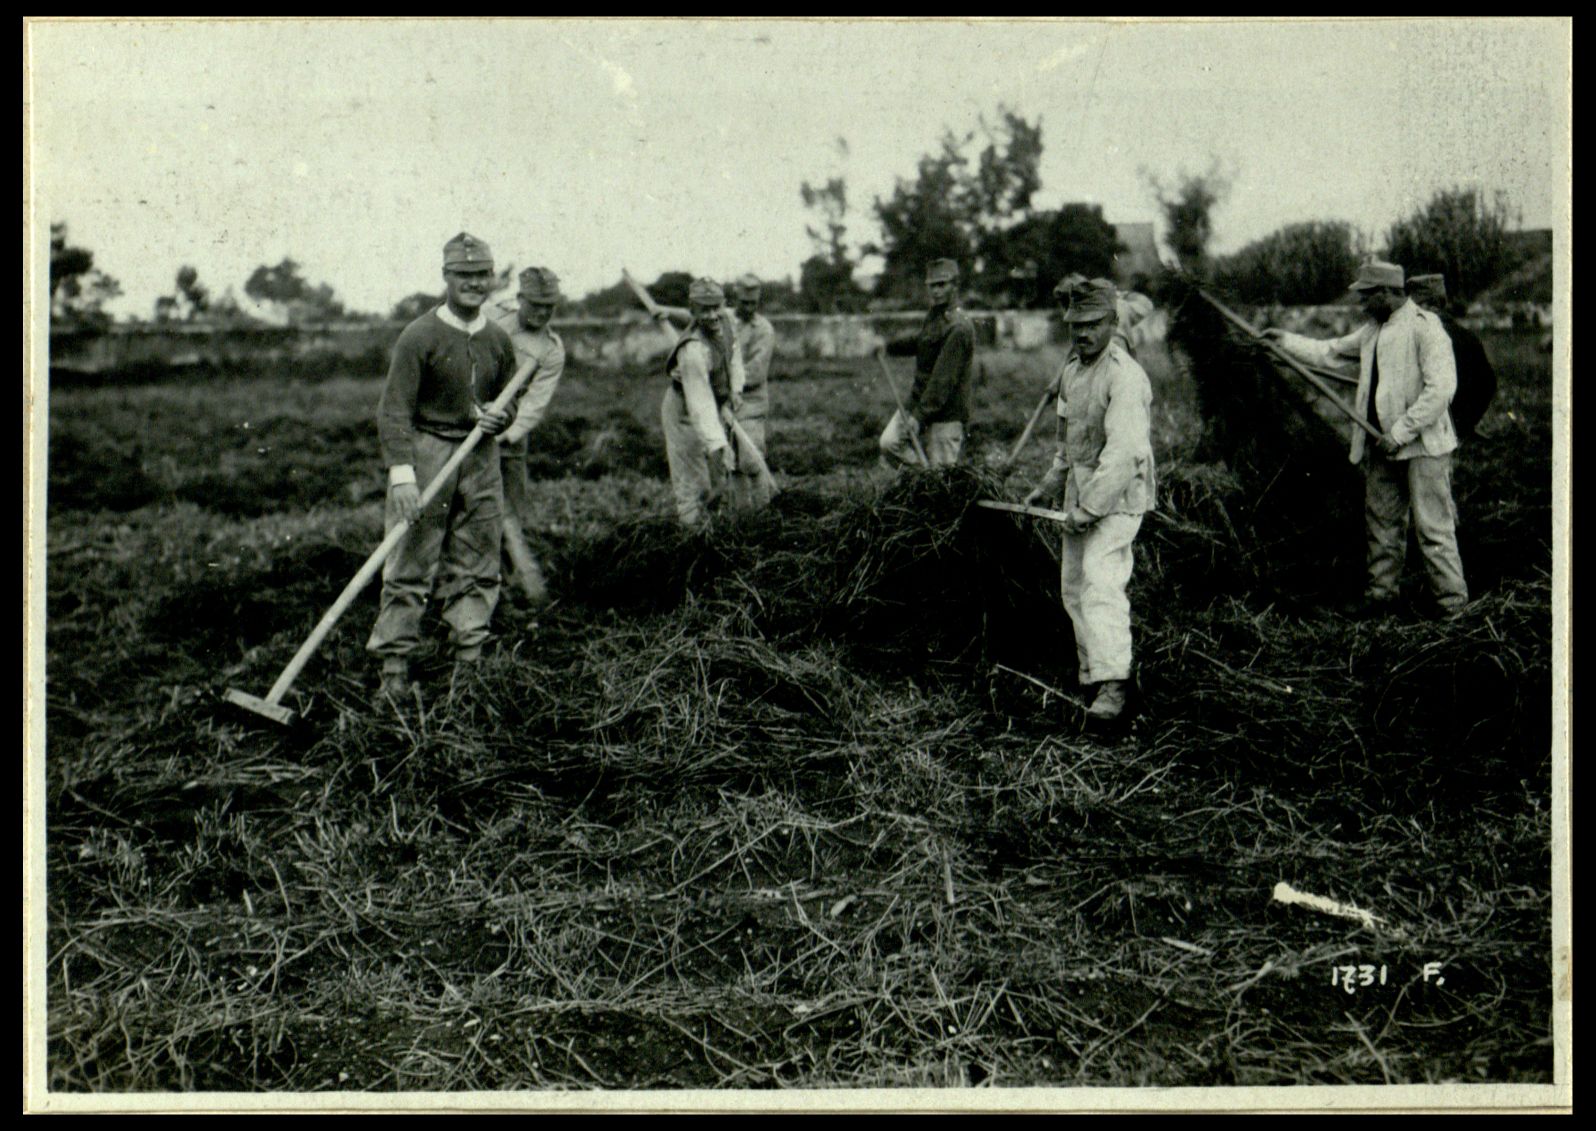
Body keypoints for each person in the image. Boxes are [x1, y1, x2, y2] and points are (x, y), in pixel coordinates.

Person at [1265, 260, 1467, 618]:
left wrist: (1400, 432)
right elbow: (1329, 351)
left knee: (1432, 527)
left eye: (1366, 295)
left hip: (1424, 446)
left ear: (1387, 293)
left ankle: (1451, 605)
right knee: (1382, 523)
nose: (1361, 303)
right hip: (1380, 446)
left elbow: (1441, 390)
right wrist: (1283, 340)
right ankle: (1381, 595)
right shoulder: (1372, 331)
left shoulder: (1426, 328)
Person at [367, 232, 518, 707]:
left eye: (483, 275)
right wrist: (403, 477)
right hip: (428, 451)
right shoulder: (419, 336)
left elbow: (509, 400)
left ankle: (469, 664)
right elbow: (394, 410)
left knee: (478, 557)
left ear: (492, 279)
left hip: (481, 457)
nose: (475, 284)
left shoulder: (498, 339)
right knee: (409, 560)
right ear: (446, 277)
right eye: (464, 275)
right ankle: (394, 670)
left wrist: (499, 417)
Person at [1023, 278, 1156, 722]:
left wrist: (1090, 508)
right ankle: (1091, 672)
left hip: (1118, 499)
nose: (1082, 333)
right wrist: (1049, 484)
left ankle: (1115, 684)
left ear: (1113, 322)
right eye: (1075, 325)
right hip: (1080, 495)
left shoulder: (1124, 376)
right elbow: (1067, 444)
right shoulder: (1073, 373)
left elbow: (1124, 453)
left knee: (1101, 583)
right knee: (1074, 586)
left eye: (1093, 324)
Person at [487, 266, 567, 604]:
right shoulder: (492, 318)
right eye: (535, 304)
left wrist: (506, 435)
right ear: (519, 298)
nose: (542, 313)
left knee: (510, 512)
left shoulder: (551, 349)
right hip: (469, 420)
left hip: (509, 433)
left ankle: (522, 588)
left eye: (549, 307)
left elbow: (535, 404)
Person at [877, 258, 976, 469]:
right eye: (931, 286)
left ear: (955, 285)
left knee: (942, 477)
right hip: (919, 402)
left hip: (946, 415)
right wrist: (888, 346)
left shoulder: (959, 328)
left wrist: (918, 417)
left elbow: (942, 381)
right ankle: (923, 477)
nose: (936, 291)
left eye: (942, 285)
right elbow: (921, 340)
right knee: (890, 443)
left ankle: (928, 480)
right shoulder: (935, 316)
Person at [661, 277, 740, 526]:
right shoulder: (693, 350)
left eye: (717, 307)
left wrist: (735, 391)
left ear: (723, 304)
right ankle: (691, 533)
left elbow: (734, 356)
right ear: (693, 311)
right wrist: (718, 451)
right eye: (705, 310)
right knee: (691, 481)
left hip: (713, 399)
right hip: (684, 408)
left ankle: (713, 522)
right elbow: (701, 406)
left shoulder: (728, 320)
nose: (713, 315)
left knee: (717, 473)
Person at [1406, 273, 1497, 439]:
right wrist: (1465, 423)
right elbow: (1488, 384)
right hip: (1458, 428)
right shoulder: (1468, 337)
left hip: (1424, 431)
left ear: (1428, 306)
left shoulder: (1418, 339)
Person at [729, 274, 777, 508]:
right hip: (725, 403)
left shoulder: (764, 330)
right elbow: (693, 316)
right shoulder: (724, 319)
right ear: (735, 298)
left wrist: (722, 381)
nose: (748, 308)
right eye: (744, 302)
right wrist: (663, 311)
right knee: (732, 463)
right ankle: (743, 516)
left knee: (751, 460)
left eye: (753, 303)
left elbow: (755, 373)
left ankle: (764, 511)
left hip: (750, 405)